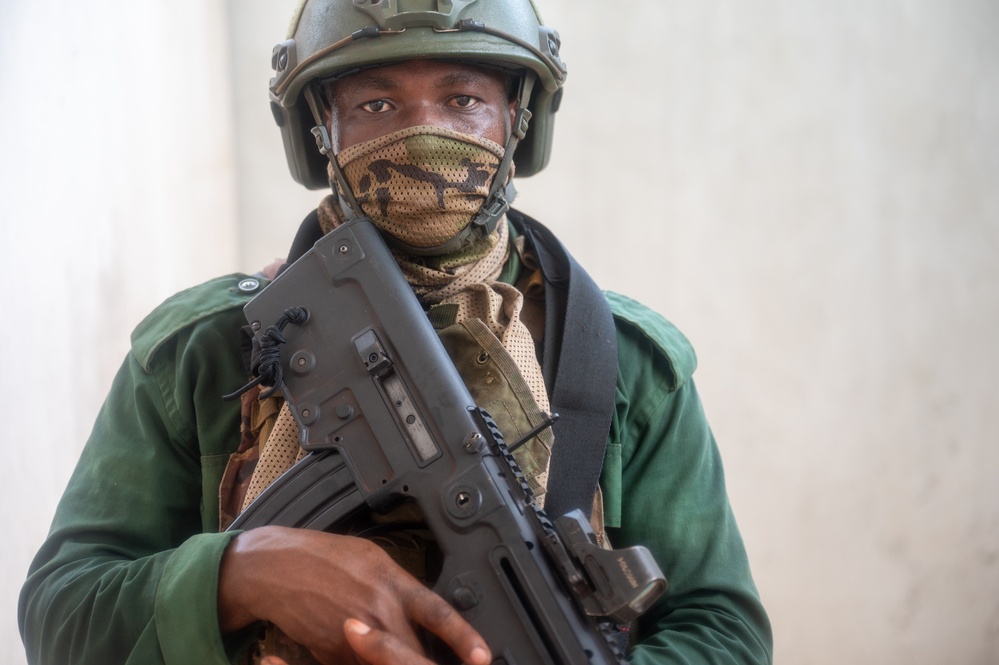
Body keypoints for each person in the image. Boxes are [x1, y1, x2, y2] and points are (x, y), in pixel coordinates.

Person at [18, 1, 773, 664]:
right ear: (321, 133)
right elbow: (61, 614)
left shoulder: (621, 363)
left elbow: (721, 628)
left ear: (518, 120)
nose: (423, 135)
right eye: (377, 105)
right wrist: (242, 574)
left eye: (463, 99)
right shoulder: (206, 349)